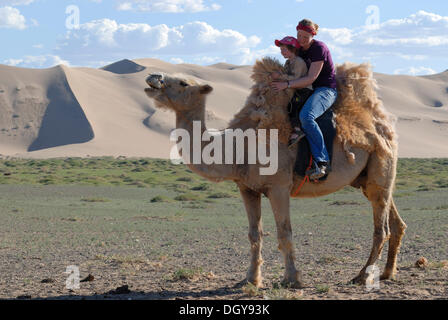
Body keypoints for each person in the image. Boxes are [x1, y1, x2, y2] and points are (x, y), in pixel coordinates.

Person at [271, 18, 338, 180]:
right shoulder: (299, 49)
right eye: (299, 35)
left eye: (305, 37)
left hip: (324, 90)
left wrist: (286, 84)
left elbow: (311, 78)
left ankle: (322, 161)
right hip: (305, 90)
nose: (301, 39)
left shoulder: (318, 48)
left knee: (306, 116)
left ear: (312, 35)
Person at [272, 36, 314, 147]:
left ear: (293, 49)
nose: (282, 52)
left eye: (284, 49)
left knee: (294, 106)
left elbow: (296, 77)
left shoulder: (298, 62)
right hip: (295, 89)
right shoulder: (288, 63)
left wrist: (280, 76)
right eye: (281, 50)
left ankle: (297, 129)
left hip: (304, 89)